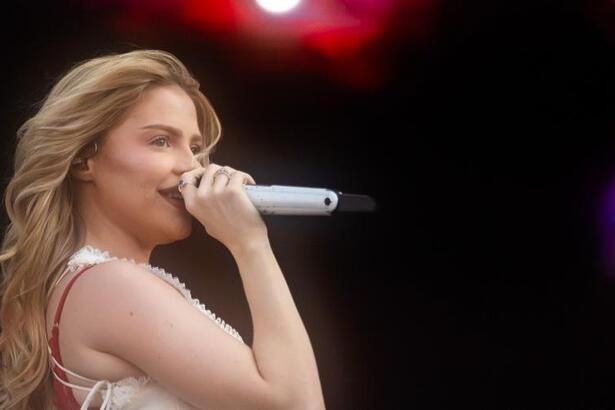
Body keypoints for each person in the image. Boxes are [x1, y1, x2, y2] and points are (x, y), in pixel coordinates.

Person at [0, 49, 325, 409]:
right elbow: (297, 404)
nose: (190, 167)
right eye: (161, 141)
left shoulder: (90, 287)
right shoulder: (110, 286)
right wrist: (250, 243)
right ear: (84, 158)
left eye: (196, 148)